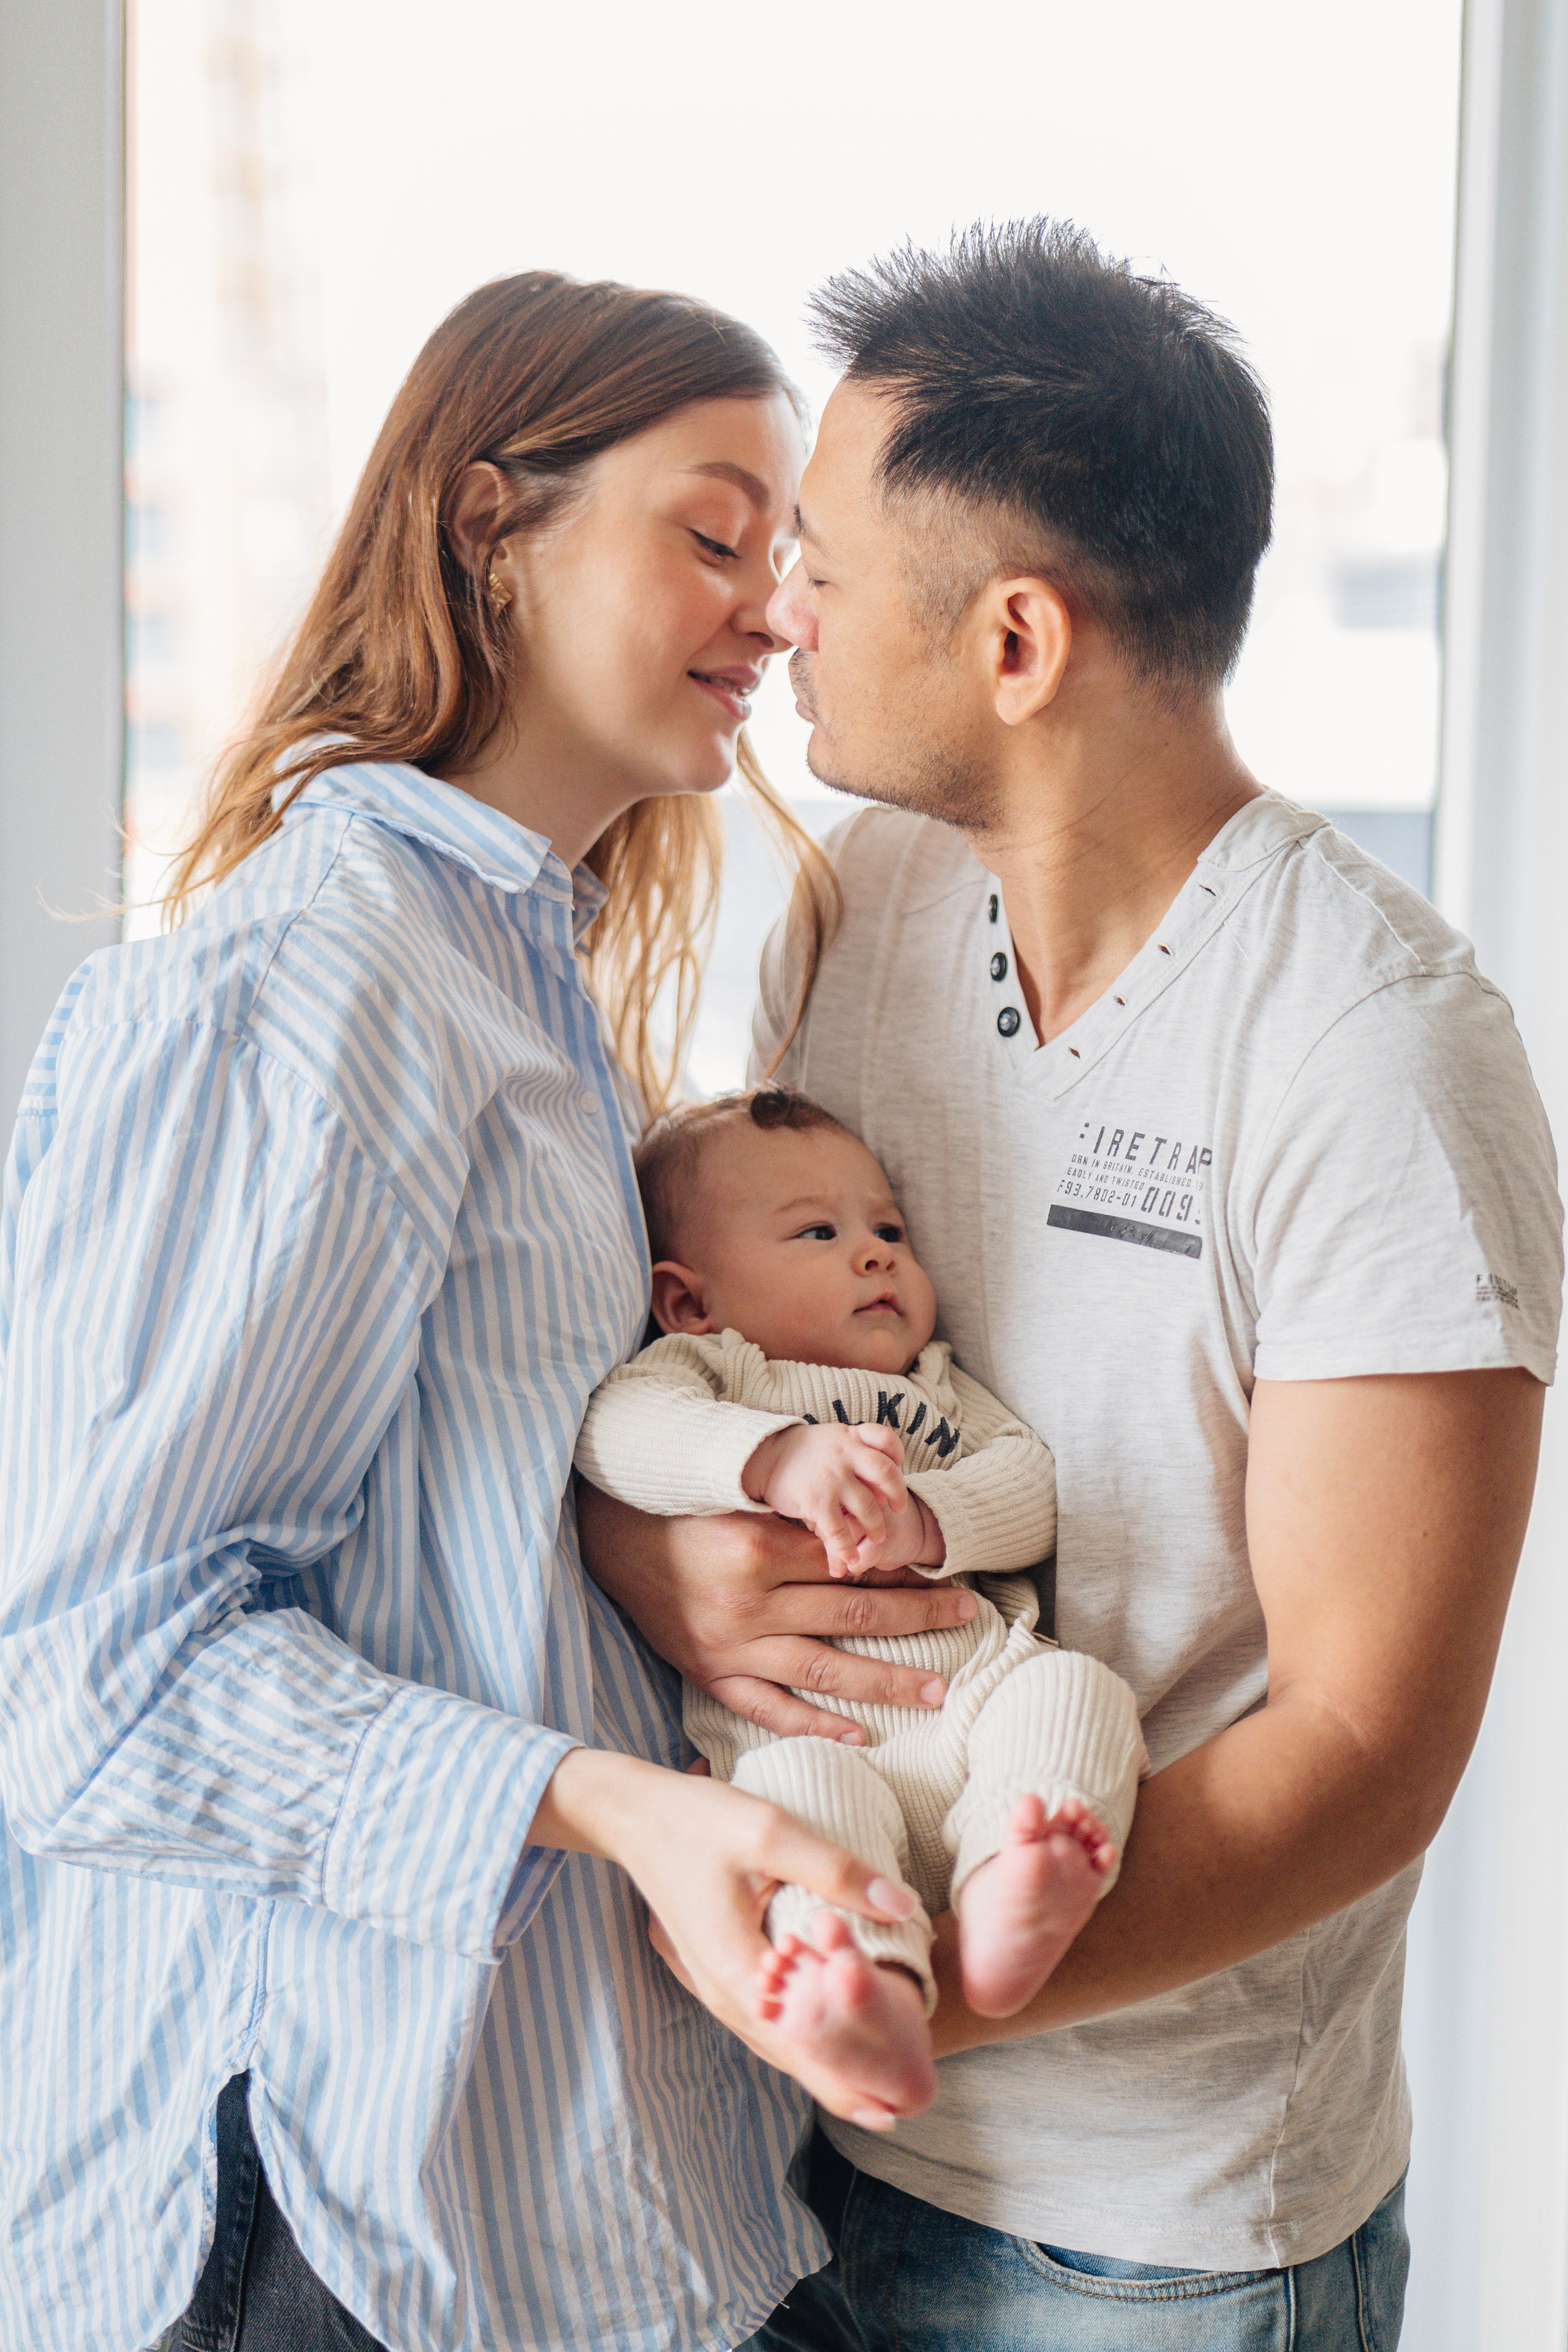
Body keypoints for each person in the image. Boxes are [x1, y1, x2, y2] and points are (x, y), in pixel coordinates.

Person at [577, 221, 1562, 2349]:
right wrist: (663, 1570)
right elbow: (717, 1355)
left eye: (824, 567)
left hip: (1143, 2246)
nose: (779, 615)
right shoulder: (864, 914)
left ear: (1017, 637)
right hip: (784, 2158)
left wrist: (905, 1970)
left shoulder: (1376, 1053)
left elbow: (1373, 1741)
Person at [0, 273, 981, 2352]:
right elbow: (88, 1685)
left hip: (589, 2180)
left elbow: (463, 1526)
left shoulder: (535, 984)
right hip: (353, 2200)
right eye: (715, 535)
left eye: (787, 555)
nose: (780, 608)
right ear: (488, 524)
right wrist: (620, 1801)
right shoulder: (311, 991)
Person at [574, 1084, 1144, 2123]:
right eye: (820, 1232)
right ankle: (862, 1985)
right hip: (811, 1739)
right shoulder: (718, 1370)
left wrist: (928, 1522)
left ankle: (1022, 1870)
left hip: (975, 1707)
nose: (877, 1253)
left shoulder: (936, 1388)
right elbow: (617, 1430)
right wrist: (768, 1458)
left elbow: (1027, 1484)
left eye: (889, 1229)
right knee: (791, 1802)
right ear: (689, 1301)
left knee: (1075, 1693)